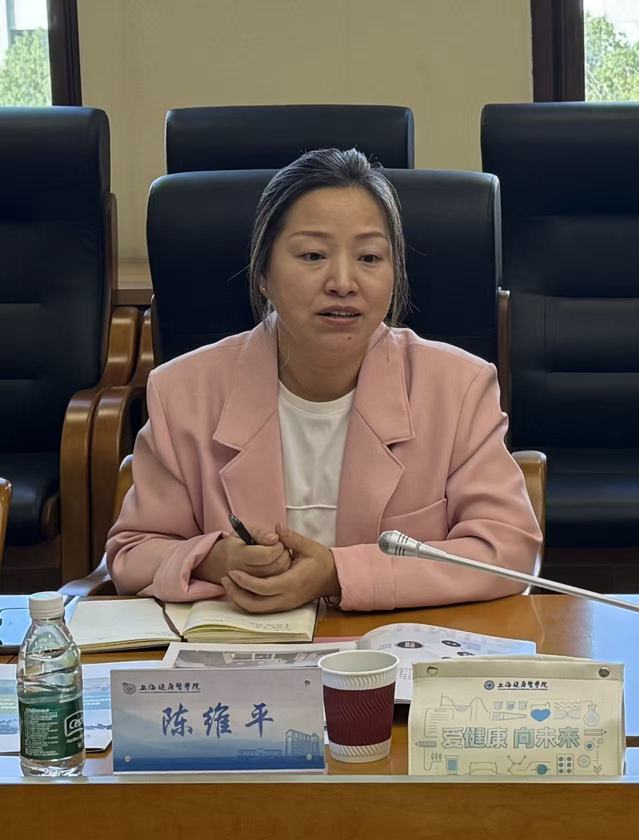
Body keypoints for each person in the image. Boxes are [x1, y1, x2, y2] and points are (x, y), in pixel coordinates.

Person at [106, 148, 542, 612]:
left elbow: (507, 550)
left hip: (393, 647)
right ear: (263, 274)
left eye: (369, 257)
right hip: (241, 647)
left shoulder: (458, 389)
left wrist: (339, 573)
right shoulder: (181, 392)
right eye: (313, 255)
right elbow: (133, 552)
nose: (343, 282)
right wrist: (215, 560)